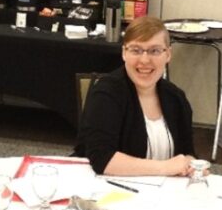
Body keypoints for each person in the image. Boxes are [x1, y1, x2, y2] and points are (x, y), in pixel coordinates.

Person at [73, 16, 197, 176]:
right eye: (136, 50)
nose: (145, 60)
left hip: (163, 193)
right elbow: (102, 159)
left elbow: (188, 153)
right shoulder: (106, 93)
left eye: (155, 50)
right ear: (124, 53)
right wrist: (165, 167)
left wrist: (192, 165)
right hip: (110, 191)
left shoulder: (176, 98)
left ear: (168, 55)